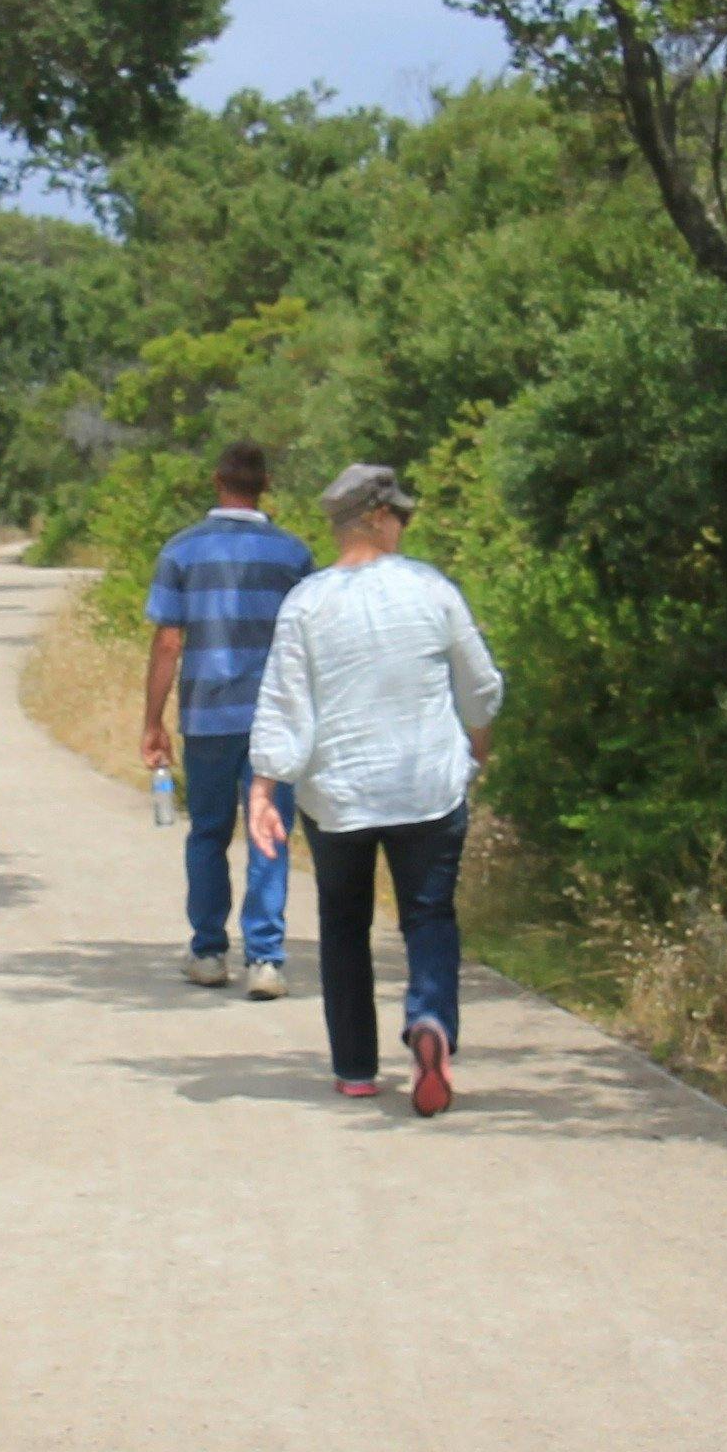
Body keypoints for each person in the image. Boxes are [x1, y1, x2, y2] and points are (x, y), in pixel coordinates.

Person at [246, 463, 504, 1115]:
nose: (403, 528)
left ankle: (357, 1068)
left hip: (340, 797)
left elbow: (283, 703)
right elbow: (478, 682)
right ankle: (430, 1022)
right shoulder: (431, 589)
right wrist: (478, 740)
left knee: (343, 923)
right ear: (379, 517)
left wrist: (263, 786)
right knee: (428, 914)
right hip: (427, 787)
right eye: (401, 517)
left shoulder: (307, 602)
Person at [138, 440, 305, 995]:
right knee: (269, 834)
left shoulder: (183, 551)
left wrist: (152, 720)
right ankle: (266, 959)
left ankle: (209, 951)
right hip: (273, 720)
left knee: (208, 834)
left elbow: (167, 643)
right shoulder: (293, 556)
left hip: (208, 717)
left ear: (217, 481)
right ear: (265, 484)